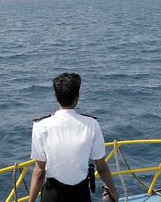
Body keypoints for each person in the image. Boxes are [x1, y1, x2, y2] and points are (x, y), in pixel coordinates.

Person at [29, 73, 119, 202]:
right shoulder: (91, 124)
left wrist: (30, 200)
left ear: (55, 96)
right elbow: (102, 168)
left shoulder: (41, 126)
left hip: (52, 194)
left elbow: (39, 172)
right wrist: (113, 191)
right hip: (80, 193)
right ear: (77, 97)